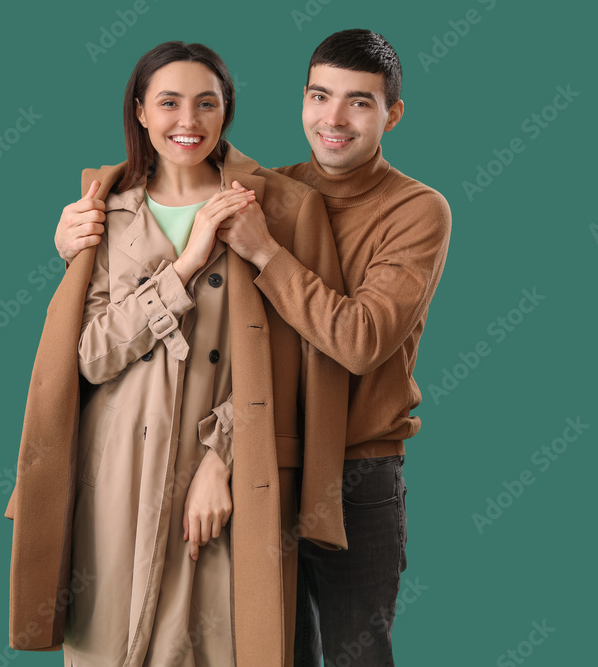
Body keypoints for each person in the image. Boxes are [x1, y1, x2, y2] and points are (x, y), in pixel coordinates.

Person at [53, 29, 452, 667]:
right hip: (271, 461)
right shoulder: (270, 192)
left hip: (354, 469)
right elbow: (252, 350)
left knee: (358, 655)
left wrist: (265, 250)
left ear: (392, 114)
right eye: (320, 96)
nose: (334, 118)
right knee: (273, 650)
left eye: (359, 102)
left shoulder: (415, 210)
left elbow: (358, 341)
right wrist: (74, 247)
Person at [5, 40, 350, 667]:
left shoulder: (281, 208)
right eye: (168, 103)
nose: (187, 121)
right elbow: (87, 356)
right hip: (112, 477)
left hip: (223, 479)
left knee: (210, 645)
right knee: (106, 642)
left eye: (206, 103)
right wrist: (186, 266)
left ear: (227, 111)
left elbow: (299, 365)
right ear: (140, 111)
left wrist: (222, 459)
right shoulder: (102, 214)